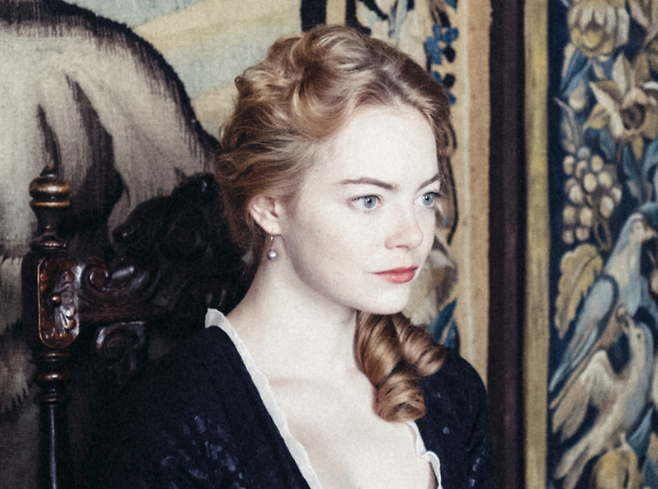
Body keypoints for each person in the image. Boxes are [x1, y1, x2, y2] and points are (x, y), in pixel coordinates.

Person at [95, 24, 492, 489]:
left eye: (425, 197)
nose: (413, 234)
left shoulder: (449, 391)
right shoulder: (168, 423)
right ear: (270, 208)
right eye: (369, 200)